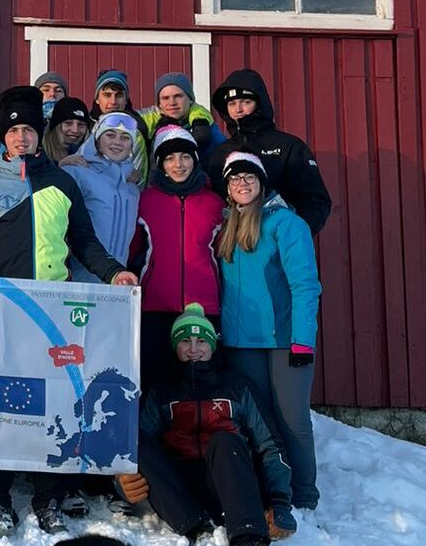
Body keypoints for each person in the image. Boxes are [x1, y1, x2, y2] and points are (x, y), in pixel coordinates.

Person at [0, 85, 136, 533]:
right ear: (4, 136)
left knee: (57, 406)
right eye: (14, 130)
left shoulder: (61, 182)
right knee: (3, 405)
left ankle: (48, 497)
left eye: (29, 130)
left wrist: (115, 271)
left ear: (41, 136)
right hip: (6, 309)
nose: (22, 138)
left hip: (55, 310)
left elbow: (84, 241)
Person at [121, 304, 297, 546]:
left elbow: (270, 445)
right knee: (139, 445)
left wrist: (279, 501)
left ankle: (250, 542)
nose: (193, 349)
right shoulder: (161, 390)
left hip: (229, 486)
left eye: (201, 340)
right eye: (185, 342)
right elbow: (136, 443)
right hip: (180, 492)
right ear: (175, 347)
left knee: (225, 440)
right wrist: (122, 481)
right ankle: (197, 530)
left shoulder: (237, 387)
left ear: (212, 345)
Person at [214, 152, 322, 512]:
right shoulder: (226, 227)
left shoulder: (287, 225)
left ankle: (304, 493)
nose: (242, 184)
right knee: (258, 423)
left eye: (249, 178)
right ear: (228, 189)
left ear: (262, 183)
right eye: (234, 179)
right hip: (241, 344)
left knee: (292, 420)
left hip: (283, 342)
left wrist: (303, 340)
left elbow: (305, 285)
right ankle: (271, 487)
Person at [134, 127, 225, 386]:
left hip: (204, 307)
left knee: (203, 384)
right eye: (170, 158)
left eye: (185, 157)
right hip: (155, 307)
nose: (178, 164)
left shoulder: (215, 203)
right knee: (155, 381)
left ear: (195, 160)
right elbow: (132, 251)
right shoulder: (145, 201)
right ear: (161, 164)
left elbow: (224, 253)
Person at [210, 70, 333, 235]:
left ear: (259, 104)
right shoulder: (220, 153)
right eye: (232, 104)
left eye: (245, 102)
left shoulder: (289, 146)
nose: (238, 109)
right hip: (235, 247)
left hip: (281, 245)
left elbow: (316, 200)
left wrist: (294, 235)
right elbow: (212, 202)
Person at [60, 113, 148, 281]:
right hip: (79, 280)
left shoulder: (132, 187)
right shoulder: (77, 172)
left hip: (117, 280)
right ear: (97, 141)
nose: (117, 142)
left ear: (132, 146)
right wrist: (59, 166)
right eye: (110, 135)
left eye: (125, 138)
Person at [139, 73, 225, 163]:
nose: (172, 102)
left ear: (190, 99)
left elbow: (226, 154)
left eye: (178, 96)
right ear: (159, 103)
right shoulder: (148, 125)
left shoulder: (206, 126)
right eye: (165, 98)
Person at [89, 70, 149, 173]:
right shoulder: (85, 125)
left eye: (119, 95)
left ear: (126, 99)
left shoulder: (142, 122)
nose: (113, 101)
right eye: (107, 95)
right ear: (97, 99)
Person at [41, 96, 92, 167]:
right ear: (56, 126)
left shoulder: (94, 155)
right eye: (68, 123)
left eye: (81, 124)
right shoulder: (39, 154)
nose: (75, 130)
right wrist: (60, 167)